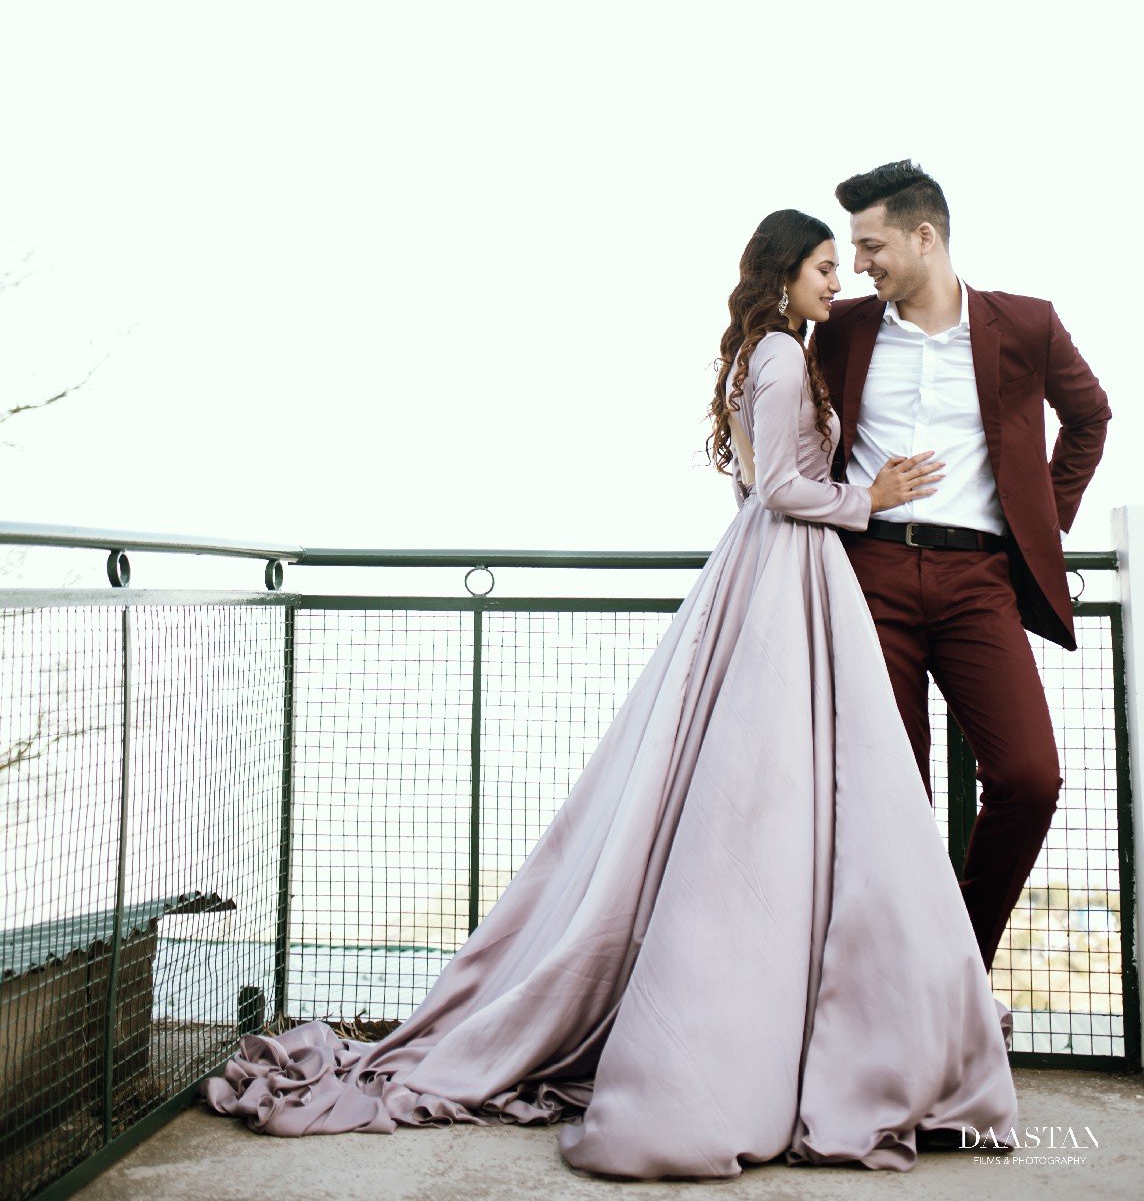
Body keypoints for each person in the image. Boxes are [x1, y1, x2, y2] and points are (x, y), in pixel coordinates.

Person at [199, 209, 1018, 1175]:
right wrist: (865, 502)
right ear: (785, 274)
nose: (837, 282)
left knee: (762, 786)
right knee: (778, 785)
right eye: (825, 268)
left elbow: (759, 476)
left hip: (785, 577)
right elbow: (776, 493)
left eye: (846, 266)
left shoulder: (773, 350)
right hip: (793, 565)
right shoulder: (784, 359)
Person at [813, 160, 1111, 975]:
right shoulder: (839, 329)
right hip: (869, 574)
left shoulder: (1025, 324)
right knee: (889, 793)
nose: (860, 262)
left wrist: (1041, 528)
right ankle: (890, 990)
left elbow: (1089, 419)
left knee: (1029, 776)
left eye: (871, 244)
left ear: (924, 235)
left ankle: (958, 966)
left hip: (981, 583)